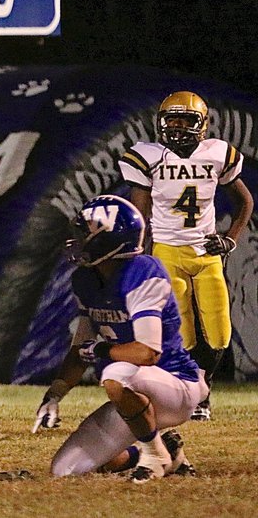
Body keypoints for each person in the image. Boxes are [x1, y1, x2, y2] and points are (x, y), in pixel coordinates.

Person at [40, 195, 207, 483]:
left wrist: (103, 349)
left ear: (110, 240)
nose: (78, 239)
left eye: (86, 232)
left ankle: (154, 456)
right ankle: (166, 450)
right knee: (64, 470)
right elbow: (80, 349)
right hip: (134, 395)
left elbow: (147, 354)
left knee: (116, 372)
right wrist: (54, 395)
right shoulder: (86, 279)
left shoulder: (142, 272)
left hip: (175, 384)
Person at [119, 91, 252, 420]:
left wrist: (230, 240)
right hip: (167, 251)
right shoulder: (148, 157)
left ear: (202, 124)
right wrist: (137, 255)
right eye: (171, 120)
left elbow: (244, 202)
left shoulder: (218, 154)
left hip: (206, 253)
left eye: (186, 120)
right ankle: (194, 390)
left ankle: (204, 387)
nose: (177, 128)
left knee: (219, 329)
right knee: (182, 330)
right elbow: (139, 213)